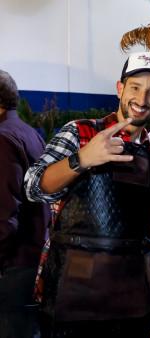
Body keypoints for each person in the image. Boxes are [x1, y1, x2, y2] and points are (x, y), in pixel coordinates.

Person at [24, 52, 150, 338]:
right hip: (71, 295)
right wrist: (82, 159)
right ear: (120, 88)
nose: (142, 100)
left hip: (130, 299)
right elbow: (33, 187)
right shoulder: (80, 132)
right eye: (135, 88)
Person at [0, 70, 51, 338]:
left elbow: (4, 214)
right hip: (32, 259)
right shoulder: (29, 133)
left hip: (13, 266)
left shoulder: (3, 138)